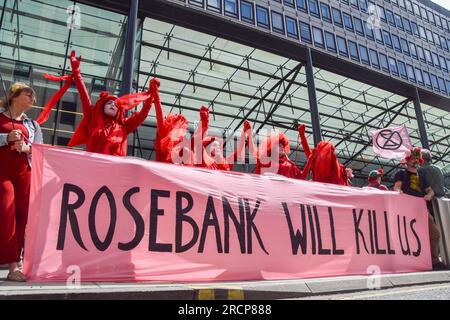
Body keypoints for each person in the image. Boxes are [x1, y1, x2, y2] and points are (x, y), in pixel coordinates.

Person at [67, 50, 155, 156]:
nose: (113, 104)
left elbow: (141, 116)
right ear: (102, 107)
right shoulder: (93, 119)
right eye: (109, 103)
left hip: (115, 170)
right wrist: (76, 72)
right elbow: (84, 97)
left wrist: (150, 96)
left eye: (116, 105)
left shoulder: (124, 126)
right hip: (93, 167)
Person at [0, 82, 43, 282]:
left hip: (25, 175)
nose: (33, 98)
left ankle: (14, 265)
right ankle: (13, 265)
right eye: (28, 94)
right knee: (7, 213)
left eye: (33, 96)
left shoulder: (33, 125)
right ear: (14, 96)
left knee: (23, 216)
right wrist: (5, 137)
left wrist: (27, 148)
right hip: (2, 174)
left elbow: (41, 150)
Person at [393, 147, 447, 271]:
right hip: (406, 210)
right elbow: (396, 187)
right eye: (412, 158)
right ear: (407, 160)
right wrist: (398, 192)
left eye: (417, 158)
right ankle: (409, 261)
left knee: (434, 233)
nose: (415, 161)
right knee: (408, 236)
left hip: (421, 209)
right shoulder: (400, 174)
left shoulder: (422, 176)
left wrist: (429, 195)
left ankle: (434, 261)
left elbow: (430, 190)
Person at [195, 106, 248, 171]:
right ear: (207, 147)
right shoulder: (203, 160)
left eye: (218, 146)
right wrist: (204, 120)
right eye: (214, 145)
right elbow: (198, 141)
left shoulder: (225, 162)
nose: (218, 147)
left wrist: (244, 132)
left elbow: (239, 151)